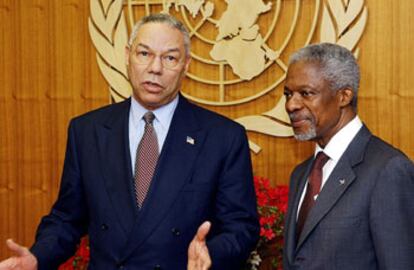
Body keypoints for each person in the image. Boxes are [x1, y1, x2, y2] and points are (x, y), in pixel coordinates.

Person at [0, 13, 259, 270]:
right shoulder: (87, 131)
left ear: (186, 65)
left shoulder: (222, 137)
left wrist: (211, 254)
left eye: (169, 57)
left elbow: (241, 227)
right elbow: (67, 218)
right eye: (144, 54)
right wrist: (37, 257)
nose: (155, 68)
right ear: (127, 56)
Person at [282, 42, 414, 270]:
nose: (291, 105)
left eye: (306, 93)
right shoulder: (301, 174)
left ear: (343, 96)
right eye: (288, 94)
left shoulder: (388, 169)